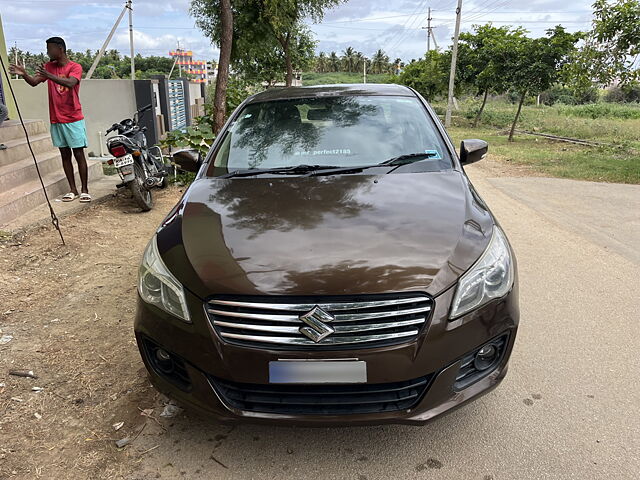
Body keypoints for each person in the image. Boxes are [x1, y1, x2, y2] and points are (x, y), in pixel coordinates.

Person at [10, 37, 91, 202]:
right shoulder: (49, 67)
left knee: (78, 154)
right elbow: (34, 82)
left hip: (73, 117)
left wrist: (49, 75)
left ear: (60, 49)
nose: (47, 52)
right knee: (64, 154)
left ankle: (84, 189)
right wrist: (24, 74)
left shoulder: (75, 67)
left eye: (50, 48)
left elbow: (70, 83)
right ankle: (72, 190)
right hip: (56, 119)